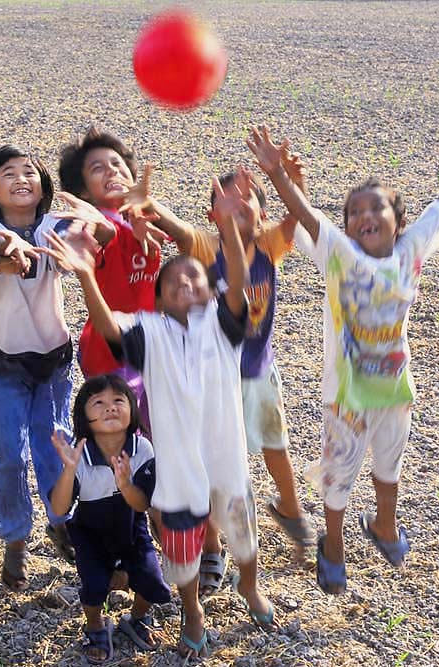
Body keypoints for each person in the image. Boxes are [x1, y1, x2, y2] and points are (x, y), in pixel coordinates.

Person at [247, 115, 439, 593]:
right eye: (354, 212)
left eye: (377, 209)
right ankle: (334, 545)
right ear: (347, 228)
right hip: (346, 397)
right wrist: (277, 176)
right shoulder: (340, 255)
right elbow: (308, 217)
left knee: (389, 467)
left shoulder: (411, 250)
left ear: (400, 222)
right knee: (338, 478)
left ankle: (384, 526)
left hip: (395, 389)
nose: (364, 216)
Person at [41, 177, 279, 659]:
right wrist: (88, 274)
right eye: (172, 283)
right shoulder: (150, 332)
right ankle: (192, 611)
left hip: (227, 461)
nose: (185, 284)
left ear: (210, 292)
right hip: (179, 472)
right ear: (158, 300)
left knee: (244, 540)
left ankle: (250, 587)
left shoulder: (224, 324)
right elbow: (109, 329)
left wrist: (231, 227)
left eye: (194, 278)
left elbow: (235, 274)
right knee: (182, 553)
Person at [122, 161, 318, 592]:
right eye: (225, 205)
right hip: (208, 382)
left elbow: (297, 219)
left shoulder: (268, 244)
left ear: (261, 214)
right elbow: (175, 229)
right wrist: (148, 202)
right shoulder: (206, 248)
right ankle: (211, 543)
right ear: (213, 216)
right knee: (206, 462)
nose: (237, 209)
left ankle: (290, 508)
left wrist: (293, 182)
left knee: (274, 448)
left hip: (256, 374)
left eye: (247, 201)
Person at [0, 144, 96, 590]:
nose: (22, 179)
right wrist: (14, 247)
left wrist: (91, 222)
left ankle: (61, 519)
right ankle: (15, 538)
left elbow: (97, 236)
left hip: (52, 360)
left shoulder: (53, 226)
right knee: (9, 458)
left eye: (29, 172)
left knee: (56, 446)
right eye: (9, 173)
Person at [49, 374, 171, 664]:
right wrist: (68, 470)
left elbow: (141, 504)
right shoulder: (79, 453)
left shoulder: (142, 448)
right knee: (93, 585)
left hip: (131, 525)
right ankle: (94, 626)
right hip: (90, 530)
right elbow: (59, 506)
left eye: (119, 400)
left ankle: (138, 618)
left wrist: (126, 483)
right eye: (98, 402)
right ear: (83, 417)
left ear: (132, 409)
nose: (110, 407)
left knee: (152, 579)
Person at [57, 127, 168, 434]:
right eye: (98, 168)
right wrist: (96, 223)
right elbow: (106, 232)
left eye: (117, 164)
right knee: (118, 435)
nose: (112, 170)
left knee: (149, 433)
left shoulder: (142, 219)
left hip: (146, 345)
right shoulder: (102, 224)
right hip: (109, 349)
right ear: (84, 192)